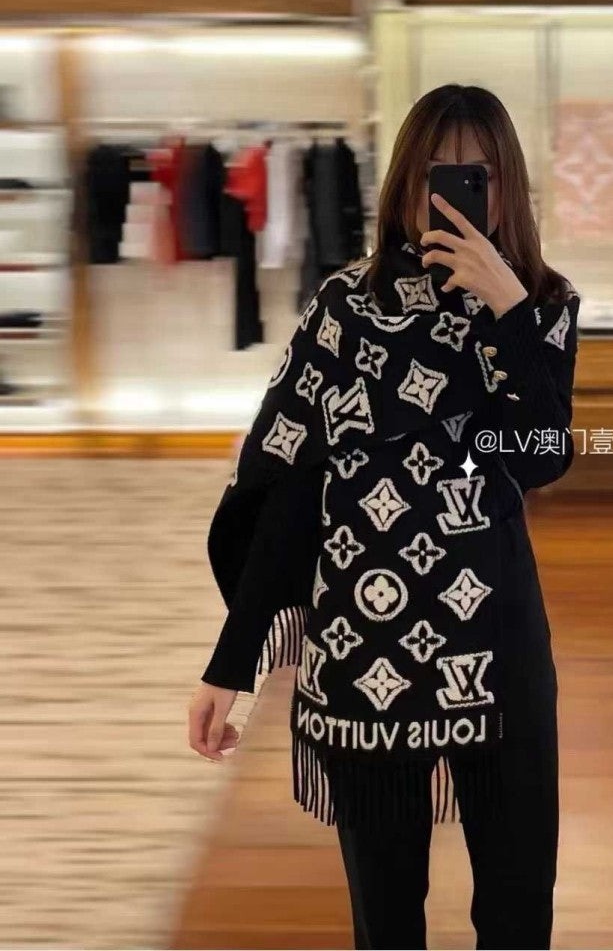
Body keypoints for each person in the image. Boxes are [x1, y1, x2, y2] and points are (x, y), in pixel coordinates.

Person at [188, 84, 581, 950]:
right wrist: (231, 664)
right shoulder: (344, 308)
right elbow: (288, 497)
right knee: (386, 921)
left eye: (478, 174)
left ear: (507, 185)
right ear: (406, 182)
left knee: (518, 911)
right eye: (439, 174)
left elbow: (541, 455)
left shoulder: (542, 304)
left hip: (498, 651)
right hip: (367, 654)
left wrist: (507, 313)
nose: (457, 194)